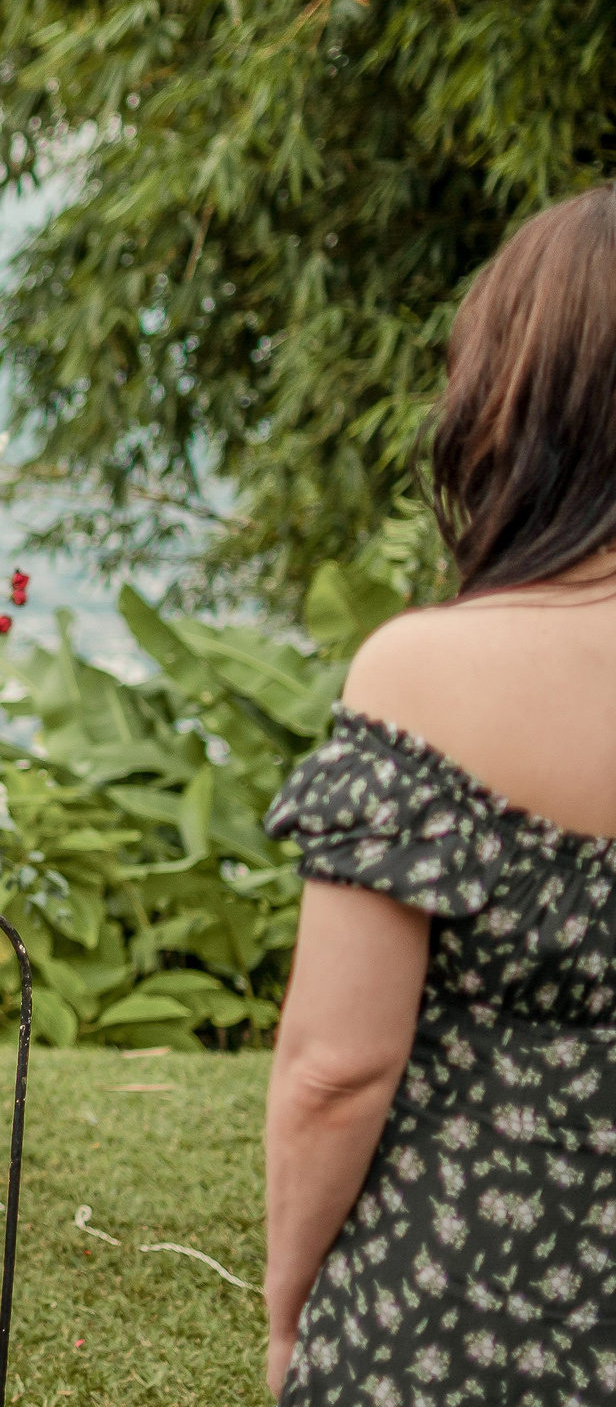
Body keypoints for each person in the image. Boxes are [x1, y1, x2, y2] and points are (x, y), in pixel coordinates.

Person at [262, 182, 616, 1404]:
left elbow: (335, 1070)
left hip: (459, 1304)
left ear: (517, 402)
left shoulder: (431, 673)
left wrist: (289, 1301)